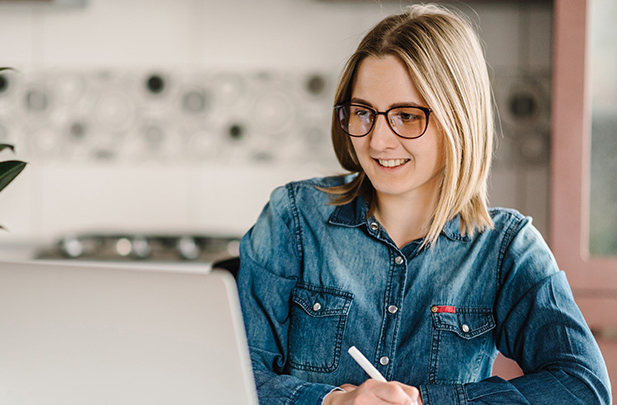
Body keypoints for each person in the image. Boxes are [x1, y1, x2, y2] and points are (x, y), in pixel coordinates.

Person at [236, 4, 611, 405]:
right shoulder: (294, 217)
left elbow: (583, 388)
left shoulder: (506, 248)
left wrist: (424, 401)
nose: (378, 141)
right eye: (364, 113)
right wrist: (331, 402)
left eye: (408, 116)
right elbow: (233, 371)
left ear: (458, 120)